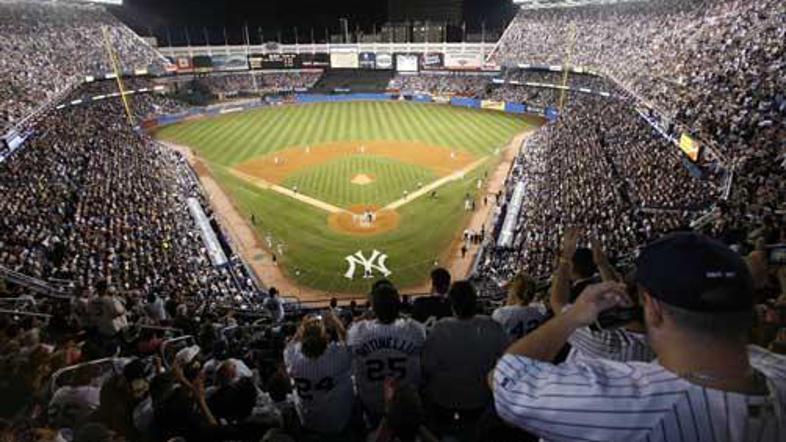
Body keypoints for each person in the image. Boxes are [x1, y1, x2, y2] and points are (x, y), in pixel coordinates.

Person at [492, 232, 786, 441]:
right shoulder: (776, 371)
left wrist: (573, 314)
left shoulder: (629, 401)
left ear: (654, 309)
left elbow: (504, 379)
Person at [422, 281, 508, 428]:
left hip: (444, 401)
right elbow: (505, 362)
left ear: (452, 304)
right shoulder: (492, 326)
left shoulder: (440, 328)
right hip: (481, 400)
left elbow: (427, 367)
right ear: (475, 302)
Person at [347, 281, 426, 423]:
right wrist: (397, 312)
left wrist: (367, 314)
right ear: (398, 306)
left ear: (374, 309)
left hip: (372, 403)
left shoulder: (358, 331)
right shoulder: (415, 330)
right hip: (407, 403)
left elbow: (351, 330)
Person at [284, 312, 354, 436]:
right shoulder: (337, 355)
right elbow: (347, 340)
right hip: (339, 421)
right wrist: (336, 322)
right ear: (325, 337)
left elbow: (291, 345)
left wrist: (303, 327)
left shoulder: (292, 358)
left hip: (307, 421)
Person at [492, 273, 548, 340]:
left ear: (513, 292)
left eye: (509, 290)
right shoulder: (541, 310)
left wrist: (508, 303)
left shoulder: (501, 313)